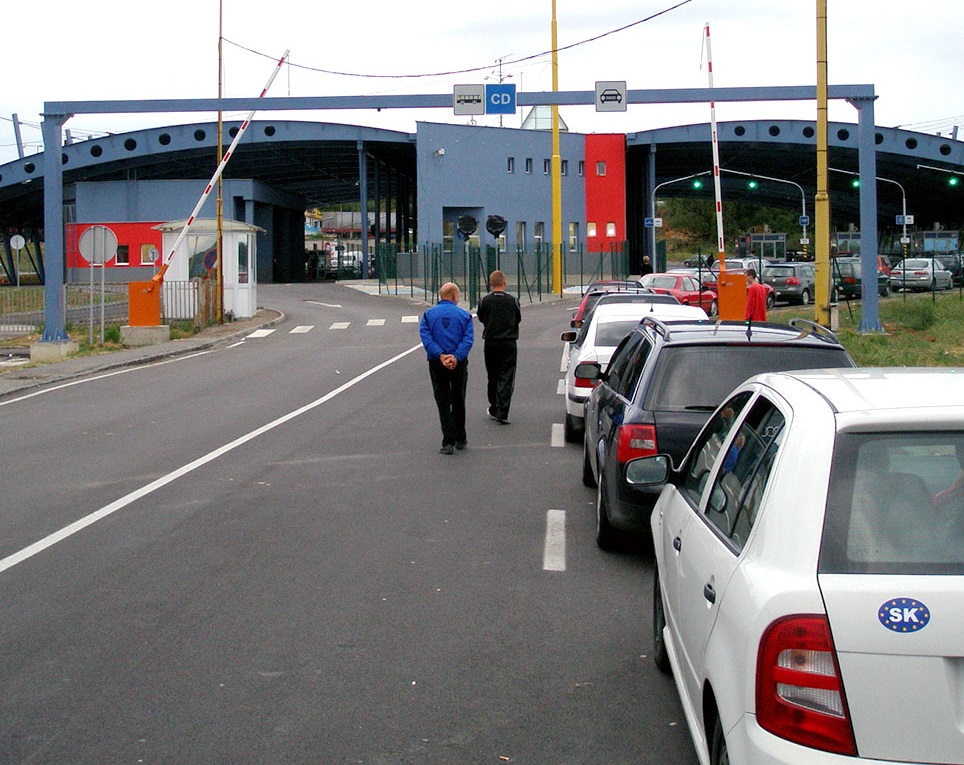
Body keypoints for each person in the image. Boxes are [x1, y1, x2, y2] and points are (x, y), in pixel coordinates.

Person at [419, 282, 474, 455]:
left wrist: (440, 355)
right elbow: (468, 339)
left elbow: (426, 337)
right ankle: (460, 436)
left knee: (442, 400)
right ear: (454, 296)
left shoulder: (428, 315)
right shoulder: (464, 316)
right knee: (458, 397)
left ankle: (447, 441)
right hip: (458, 362)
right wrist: (456, 357)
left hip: (437, 362)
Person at [476, 270, 522, 424]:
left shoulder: (484, 300)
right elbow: (518, 318)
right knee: (507, 375)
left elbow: (481, 317)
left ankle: (494, 405)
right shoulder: (513, 300)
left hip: (491, 342)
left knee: (492, 375)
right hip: (509, 342)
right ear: (504, 283)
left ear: (490, 284)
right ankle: (503, 410)